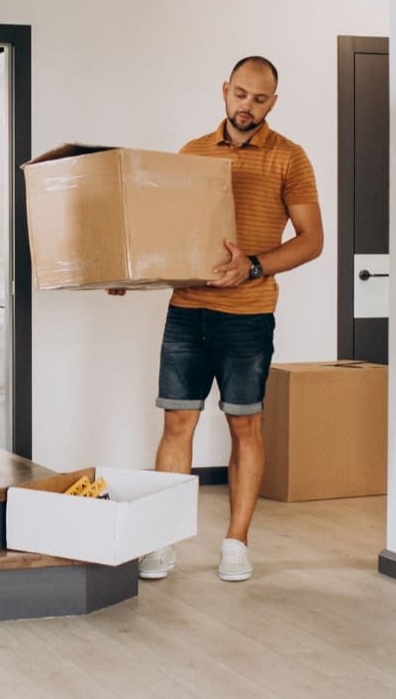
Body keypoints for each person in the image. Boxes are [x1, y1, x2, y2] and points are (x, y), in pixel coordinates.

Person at [113, 55, 323, 583]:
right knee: (176, 424)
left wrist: (252, 266)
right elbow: (170, 233)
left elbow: (312, 240)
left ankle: (236, 542)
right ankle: (161, 542)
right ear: (225, 90)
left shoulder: (290, 158)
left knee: (244, 424)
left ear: (273, 102)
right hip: (187, 312)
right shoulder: (193, 153)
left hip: (247, 317)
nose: (247, 106)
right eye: (241, 95)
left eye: (260, 99)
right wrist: (131, 271)